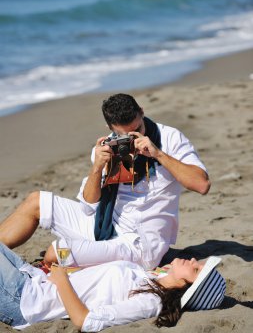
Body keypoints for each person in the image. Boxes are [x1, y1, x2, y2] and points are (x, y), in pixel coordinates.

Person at [0, 93, 210, 270]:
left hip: (139, 244)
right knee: (36, 201)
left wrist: (158, 154)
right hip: (104, 225)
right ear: (110, 127)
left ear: (142, 112)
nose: (132, 138)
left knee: (58, 252)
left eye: (137, 129)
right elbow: (89, 206)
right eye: (123, 135)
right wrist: (97, 168)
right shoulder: (107, 148)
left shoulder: (169, 138)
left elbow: (202, 185)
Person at [0, 242, 226, 332]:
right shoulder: (151, 278)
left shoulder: (150, 302)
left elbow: (87, 321)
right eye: (199, 264)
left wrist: (62, 282)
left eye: (196, 270)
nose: (194, 261)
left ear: (187, 287)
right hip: (32, 279)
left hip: (25, 300)